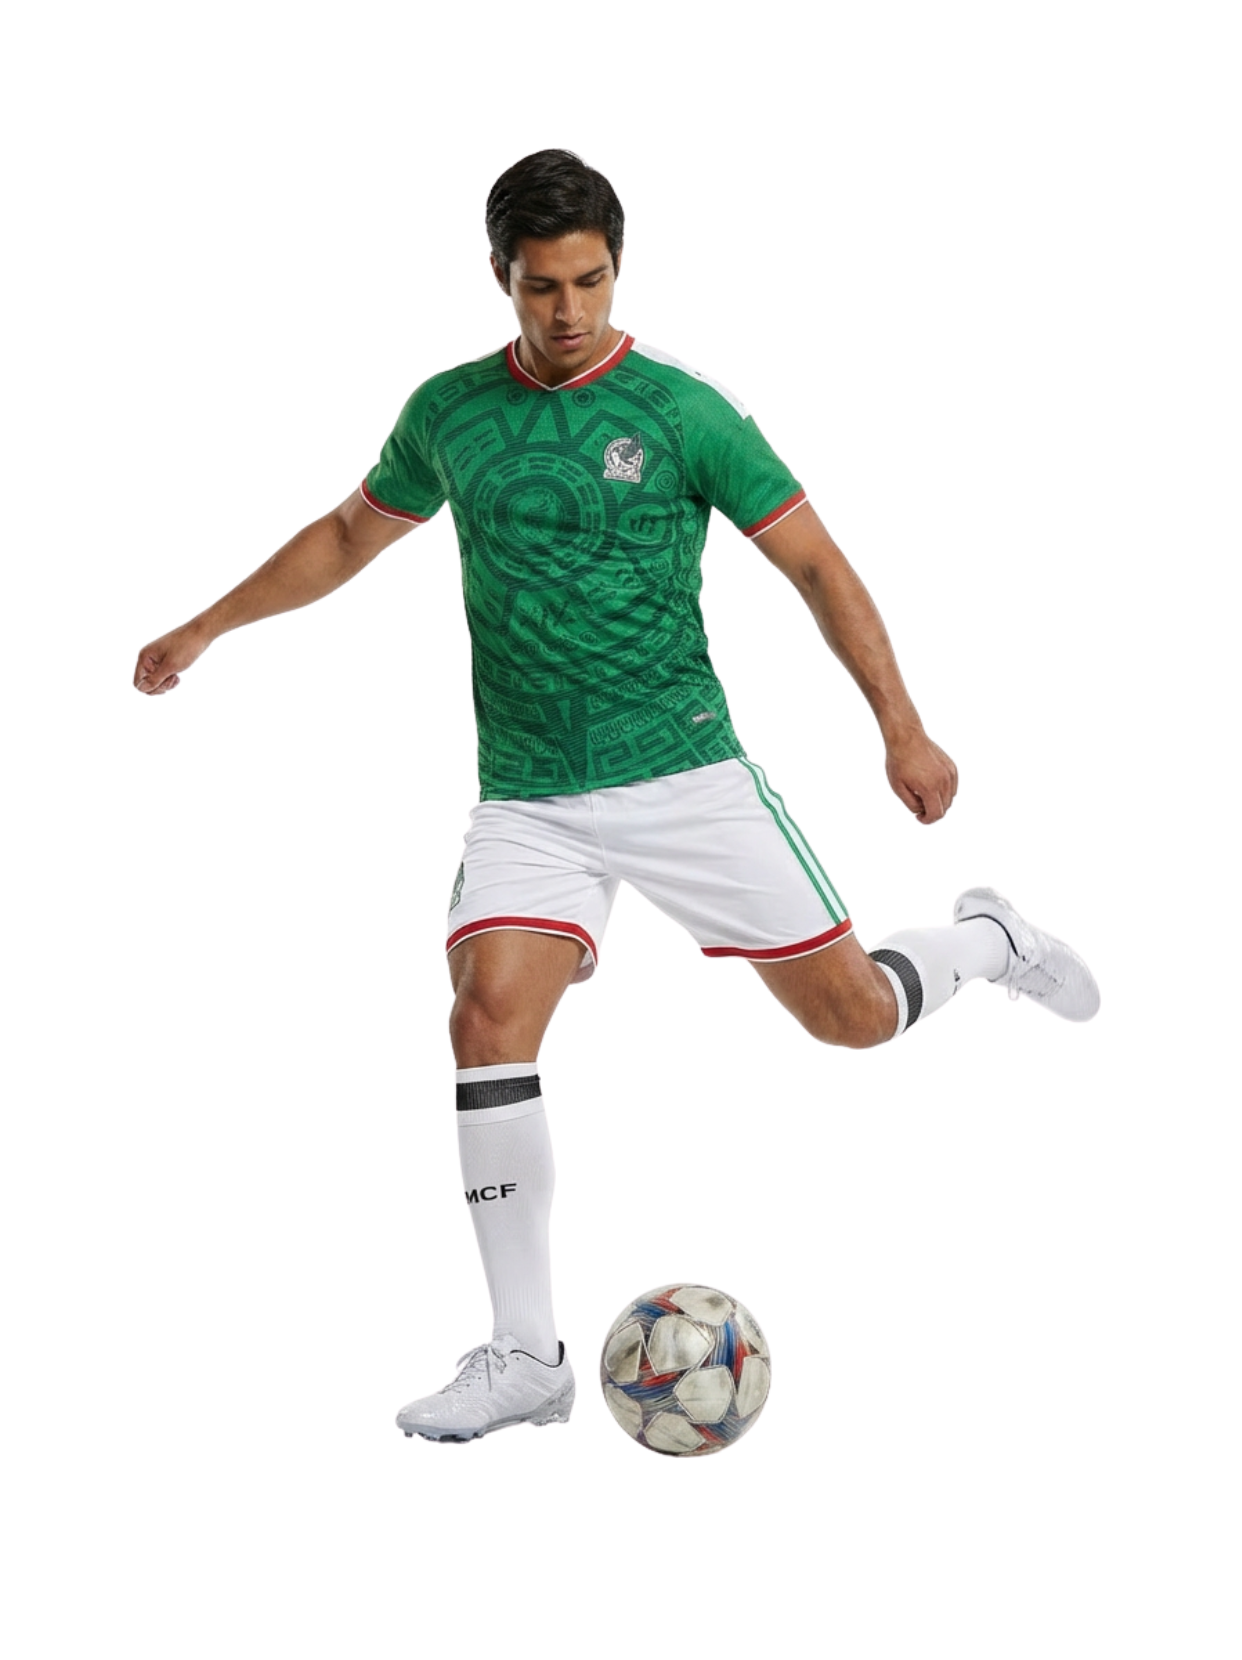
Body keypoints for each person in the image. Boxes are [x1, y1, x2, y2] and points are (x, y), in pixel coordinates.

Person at [134, 149, 1098, 1445]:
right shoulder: (449, 411)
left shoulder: (682, 411)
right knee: (484, 1020)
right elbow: (351, 533)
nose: (569, 309)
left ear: (617, 268)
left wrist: (902, 727)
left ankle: (985, 940)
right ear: (500, 277)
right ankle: (525, 1356)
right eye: (542, 286)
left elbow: (816, 564)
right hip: (527, 794)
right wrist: (205, 627)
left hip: (682, 772)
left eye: (589, 281)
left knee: (855, 1021)